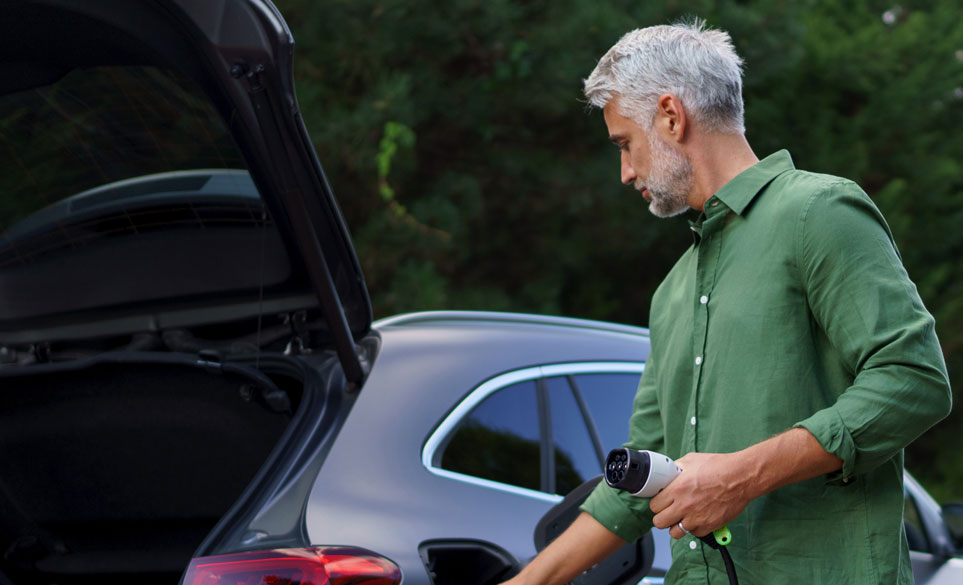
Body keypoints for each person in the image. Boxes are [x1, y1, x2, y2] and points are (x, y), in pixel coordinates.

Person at [502, 20, 952, 585]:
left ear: (671, 115)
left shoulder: (819, 212)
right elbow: (635, 487)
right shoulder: (673, 290)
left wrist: (740, 476)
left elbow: (914, 380)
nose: (625, 172)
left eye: (625, 144)